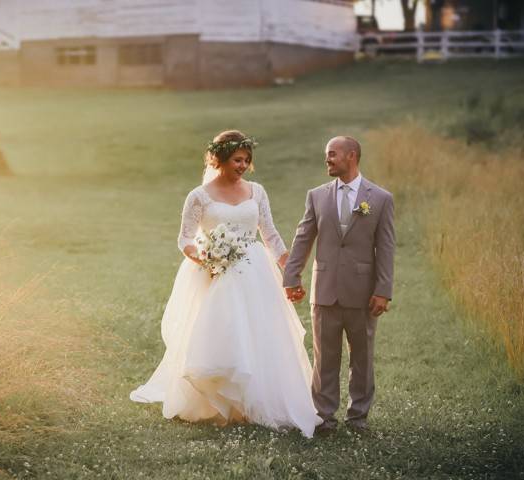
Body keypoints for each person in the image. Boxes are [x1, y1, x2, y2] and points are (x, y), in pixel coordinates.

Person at [130, 130, 322, 437]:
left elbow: (270, 235)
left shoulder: (256, 192)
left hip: (254, 272)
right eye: (237, 159)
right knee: (223, 333)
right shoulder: (199, 195)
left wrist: (291, 271)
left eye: (247, 160)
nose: (243, 165)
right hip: (215, 273)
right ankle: (220, 400)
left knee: (258, 333)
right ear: (218, 158)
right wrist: (206, 259)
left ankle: (253, 403)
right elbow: (185, 238)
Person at [283, 136, 395, 433]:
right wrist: (291, 276)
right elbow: (303, 237)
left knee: (362, 359)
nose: (327, 159)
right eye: (326, 155)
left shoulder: (381, 198)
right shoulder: (316, 196)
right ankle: (324, 417)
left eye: (332, 154)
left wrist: (383, 290)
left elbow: (385, 248)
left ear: (352, 156)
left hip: (363, 294)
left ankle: (358, 417)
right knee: (324, 359)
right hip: (325, 291)